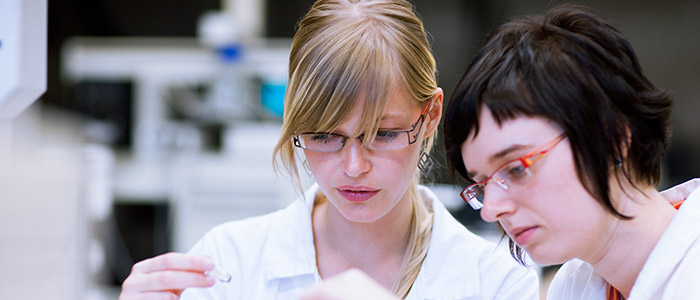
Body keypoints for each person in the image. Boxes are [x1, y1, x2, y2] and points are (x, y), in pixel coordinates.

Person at [118, 0, 539, 299]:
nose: (353, 167)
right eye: (323, 137)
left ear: (430, 116)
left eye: (384, 134)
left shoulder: (495, 282)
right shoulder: (228, 264)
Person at [443, 4, 700, 300]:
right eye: (483, 186)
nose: (491, 210)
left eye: (515, 169)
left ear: (611, 136)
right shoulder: (570, 287)